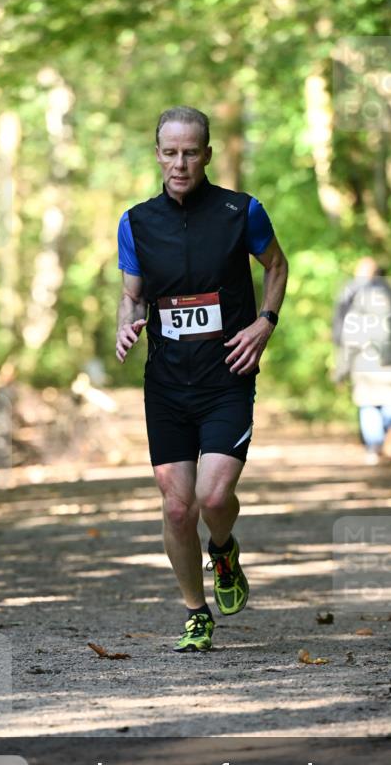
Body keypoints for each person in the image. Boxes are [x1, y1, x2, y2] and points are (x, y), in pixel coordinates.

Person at [115, 106, 288, 652]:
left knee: (213, 499)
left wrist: (265, 322)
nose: (180, 163)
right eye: (170, 153)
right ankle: (196, 612)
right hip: (167, 384)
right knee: (175, 506)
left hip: (226, 376)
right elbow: (132, 295)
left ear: (207, 154)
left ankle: (224, 549)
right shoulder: (136, 223)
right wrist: (126, 324)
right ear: (157, 155)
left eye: (191, 152)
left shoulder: (242, 211)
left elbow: (277, 266)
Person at [333, 257, 391, 464]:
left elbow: (347, 338)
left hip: (364, 363)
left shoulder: (354, 299)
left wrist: (341, 369)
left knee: (368, 404)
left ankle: (374, 448)